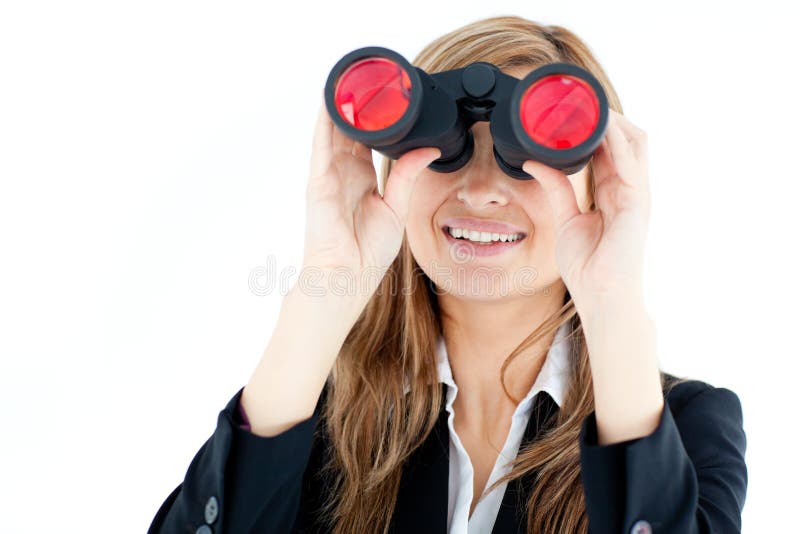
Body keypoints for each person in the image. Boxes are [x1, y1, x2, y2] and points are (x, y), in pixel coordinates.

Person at [148, 15, 748, 534]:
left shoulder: (684, 424)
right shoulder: (321, 414)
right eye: (447, 149)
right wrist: (326, 285)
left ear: (599, 182)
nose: (482, 190)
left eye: (524, 159)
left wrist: (613, 301)